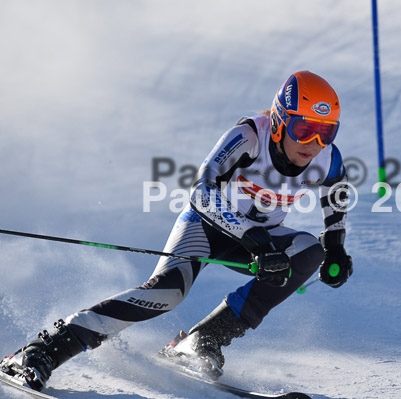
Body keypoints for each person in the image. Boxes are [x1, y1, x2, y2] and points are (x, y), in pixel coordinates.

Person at [0, 70, 353, 392]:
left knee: (309, 252)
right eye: (303, 130)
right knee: (167, 294)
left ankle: (201, 341)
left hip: (254, 244)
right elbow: (201, 191)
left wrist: (335, 242)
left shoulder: (325, 156)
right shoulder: (249, 136)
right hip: (205, 227)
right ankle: (43, 349)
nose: (313, 143)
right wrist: (252, 236)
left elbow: (336, 190)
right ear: (278, 122)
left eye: (326, 132)